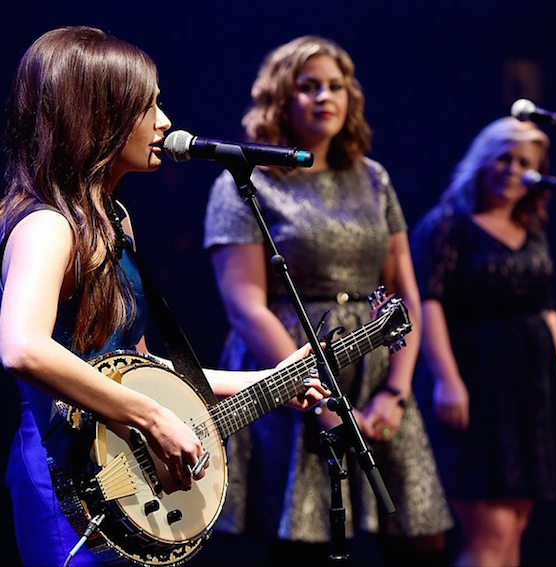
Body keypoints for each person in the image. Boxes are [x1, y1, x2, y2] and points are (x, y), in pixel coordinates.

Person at [0, 26, 330, 567]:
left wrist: (270, 381)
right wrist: (152, 418)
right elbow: (22, 348)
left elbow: (142, 365)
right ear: (97, 116)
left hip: (124, 478)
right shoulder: (47, 225)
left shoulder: (115, 220)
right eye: (147, 105)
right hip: (66, 481)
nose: (165, 121)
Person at [203, 35, 454, 566]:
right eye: (308, 86)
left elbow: (405, 293)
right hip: (292, 367)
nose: (324, 97)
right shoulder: (249, 180)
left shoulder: (373, 177)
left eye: (335, 86)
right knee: (306, 540)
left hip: (378, 368)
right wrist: (316, 395)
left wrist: (396, 392)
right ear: (280, 98)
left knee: (419, 538)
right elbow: (244, 304)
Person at [410, 116, 556, 567]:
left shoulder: (533, 229)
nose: (512, 170)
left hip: (530, 388)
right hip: (479, 381)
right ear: (482, 161)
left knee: (516, 524)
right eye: (504, 158)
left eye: (525, 162)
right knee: (490, 533)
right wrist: (447, 379)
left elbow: (547, 308)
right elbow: (429, 302)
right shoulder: (449, 224)